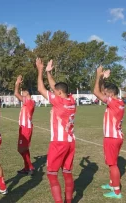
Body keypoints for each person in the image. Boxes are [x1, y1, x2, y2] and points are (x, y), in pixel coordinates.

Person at [35, 58, 76, 203]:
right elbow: (56, 87)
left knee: (52, 174)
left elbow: (41, 89)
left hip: (59, 142)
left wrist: (40, 70)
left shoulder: (58, 101)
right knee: (67, 172)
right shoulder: (71, 100)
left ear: (59, 93)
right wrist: (48, 73)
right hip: (71, 142)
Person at [93, 66, 125, 199]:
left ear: (111, 94)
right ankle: (112, 184)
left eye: (106, 94)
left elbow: (96, 92)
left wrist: (98, 75)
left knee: (113, 164)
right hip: (116, 136)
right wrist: (103, 79)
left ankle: (117, 192)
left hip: (112, 138)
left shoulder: (113, 102)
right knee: (112, 162)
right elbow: (101, 90)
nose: (104, 95)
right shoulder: (118, 101)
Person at [14, 75, 35, 175]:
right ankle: (27, 167)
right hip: (23, 127)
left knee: (20, 149)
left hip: (26, 128)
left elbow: (16, 93)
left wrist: (17, 83)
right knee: (24, 148)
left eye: (24, 91)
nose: (22, 93)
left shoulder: (29, 102)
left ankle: (30, 167)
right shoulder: (27, 102)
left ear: (27, 93)